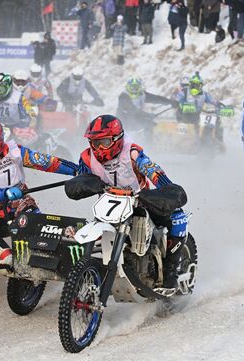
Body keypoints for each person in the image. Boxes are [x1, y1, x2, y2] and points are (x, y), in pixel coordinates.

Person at [77, 114, 189, 289]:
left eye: (104, 142)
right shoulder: (87, 157)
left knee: (178, 217)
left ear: (117, 139)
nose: (98, 148)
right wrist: (79, 184)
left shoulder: (132, 153)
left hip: (141, 201)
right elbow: (80, 175)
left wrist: (167, 187)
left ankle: (171, 271)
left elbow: (152, 169)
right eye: (94, 142)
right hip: (109, 206)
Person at [0, 117, 77, 275]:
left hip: (22, 207)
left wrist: (77, 171)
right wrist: (6, 193)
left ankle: (64, 249)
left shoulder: (15, 151)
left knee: (34, 222)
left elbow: (46, 162)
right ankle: (7, 257)